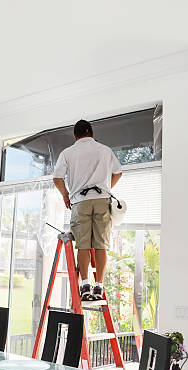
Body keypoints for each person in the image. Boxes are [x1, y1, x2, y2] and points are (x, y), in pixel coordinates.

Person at [53, 119, 122, 301]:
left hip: (80, 201)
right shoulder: (105, 150)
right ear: (91, 133)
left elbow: (57, 178)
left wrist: (65, 195)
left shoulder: (67, 153)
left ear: (75, 136)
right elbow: (118, 172)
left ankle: (84, 286)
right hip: (102, 200)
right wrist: (107, 189)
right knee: (101, 245)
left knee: (83, 245)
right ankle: (99, 286)